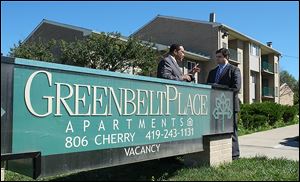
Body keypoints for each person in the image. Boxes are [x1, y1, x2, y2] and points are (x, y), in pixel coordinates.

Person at [207, 48, 241, 160]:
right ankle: (220, 155)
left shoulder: (234, 70)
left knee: (232, 130)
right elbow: (208, 87)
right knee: (217, 131)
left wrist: (220, 90)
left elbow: (236, 88)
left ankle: (234, 155)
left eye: (219, 57)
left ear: (226, 57)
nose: (217, 59)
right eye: (216, 57)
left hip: (230, 106)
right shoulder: (212, 72)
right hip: (215, 107)